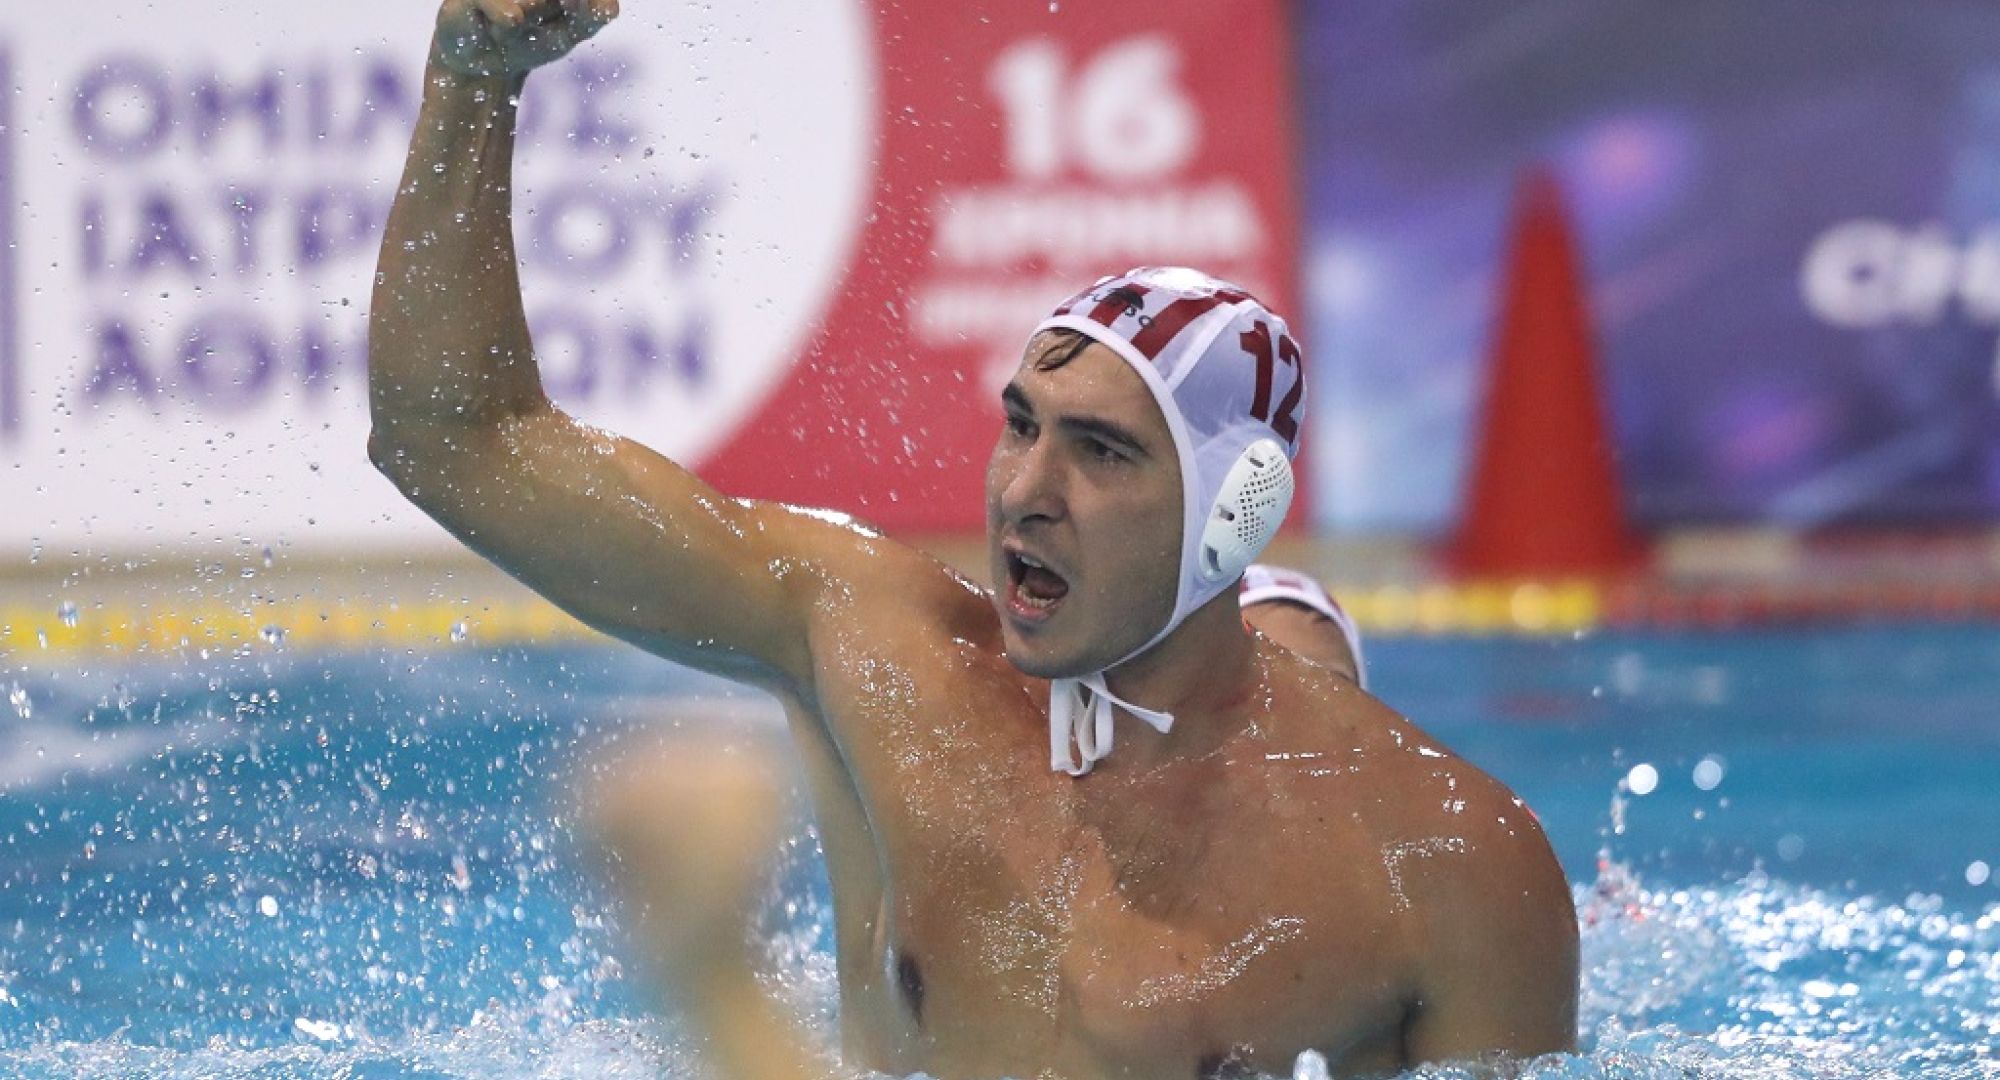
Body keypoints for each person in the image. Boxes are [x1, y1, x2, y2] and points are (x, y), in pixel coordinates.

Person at [368, 2, 1580, 1077]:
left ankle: (1296, 628)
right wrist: (473, 79)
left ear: (1234, 509)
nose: (1023, 492)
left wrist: (708, 974)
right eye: (1020, 424)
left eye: (1101, 451)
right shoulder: (879, 650)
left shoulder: (1444, 866)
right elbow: (456, 442)